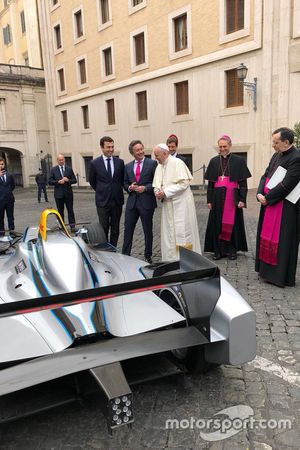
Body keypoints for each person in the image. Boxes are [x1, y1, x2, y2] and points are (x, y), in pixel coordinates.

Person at [255, 127, 300, 287]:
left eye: (276, 142)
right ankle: (265, 271)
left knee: (283, 241)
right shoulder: (276, 155)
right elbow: (265, 175)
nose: (273, 145)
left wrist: (268, 198)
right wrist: (260, 193)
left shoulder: (296, 157)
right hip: (269, 202)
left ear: (286, 142)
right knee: (266, 235)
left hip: (285, 208)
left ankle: (279, 276)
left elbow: (288, 183)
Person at [204, 135, 251, 260]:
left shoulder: (239, 160)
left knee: (232, 223)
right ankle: (218, 251)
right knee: (217, 223)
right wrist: (209, 200)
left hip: (232, 196)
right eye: (220, 146)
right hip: (217, 197)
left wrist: (242, 199)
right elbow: (211, 184)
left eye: (225, 146)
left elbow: (243, 183)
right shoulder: (214, 161)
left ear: (230, 145)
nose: (222, 149)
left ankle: (232, 250)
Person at [152, 143, 201, 261]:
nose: (156, 158)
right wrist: (157, 192)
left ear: (165, 153)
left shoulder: (177, 163)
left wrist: (166, 192)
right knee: (169, 233)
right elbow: (156, 184)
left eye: (157, 155)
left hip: (181, 204)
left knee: (183, 232)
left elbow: (184, 184)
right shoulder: (159, 166)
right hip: (168, 204)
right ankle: (171, 258)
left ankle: (186, 260)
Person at [122, 140, 157, 263]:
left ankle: (148, 255)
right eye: (137, 150)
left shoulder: (152, 164)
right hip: (132, 203)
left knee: (148, 230)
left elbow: (157, 183)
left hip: (147, 202)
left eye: (141, 149)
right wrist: (129, 187)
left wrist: (145, 188)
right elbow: (124, 184)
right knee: (128, 229)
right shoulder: (127, 166)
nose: (141, 151)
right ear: (132, 152)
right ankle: (125, 254)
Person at [89, 136, 124, 247]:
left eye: (112, 147)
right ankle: (104, 249)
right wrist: (102, 191)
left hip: (116, 201)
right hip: (102, 201)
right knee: (103, 228)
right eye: (108, 147)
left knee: (115, 228)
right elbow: (92, 181)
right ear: (102, 147)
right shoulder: (94, 163)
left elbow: (122, 180)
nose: (111, 149)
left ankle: (113, 248)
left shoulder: (120, 162)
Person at [48, 154, 77, 231]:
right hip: (58, 194)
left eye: (62, 160)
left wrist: (68, 180)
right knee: (60, 211)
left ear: (64, 160)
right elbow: (50, 181)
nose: (61, 161)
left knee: (70, 210)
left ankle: (72, 226)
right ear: (57, 161)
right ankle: (62, 227)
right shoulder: (53, 170)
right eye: (60, 160)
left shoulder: (69, 169)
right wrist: (58, 182)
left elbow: (74, 180)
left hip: (68, 194)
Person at [0, 157, 15, 237]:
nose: (1, 166)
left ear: (4, 164)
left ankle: (12, 232)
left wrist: (8, 192)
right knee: (0, 218)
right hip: (0, 201)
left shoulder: (9, 175)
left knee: (11, 217)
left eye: (2, 164)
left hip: (9, 200)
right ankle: (1, 234)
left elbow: (13, 186)